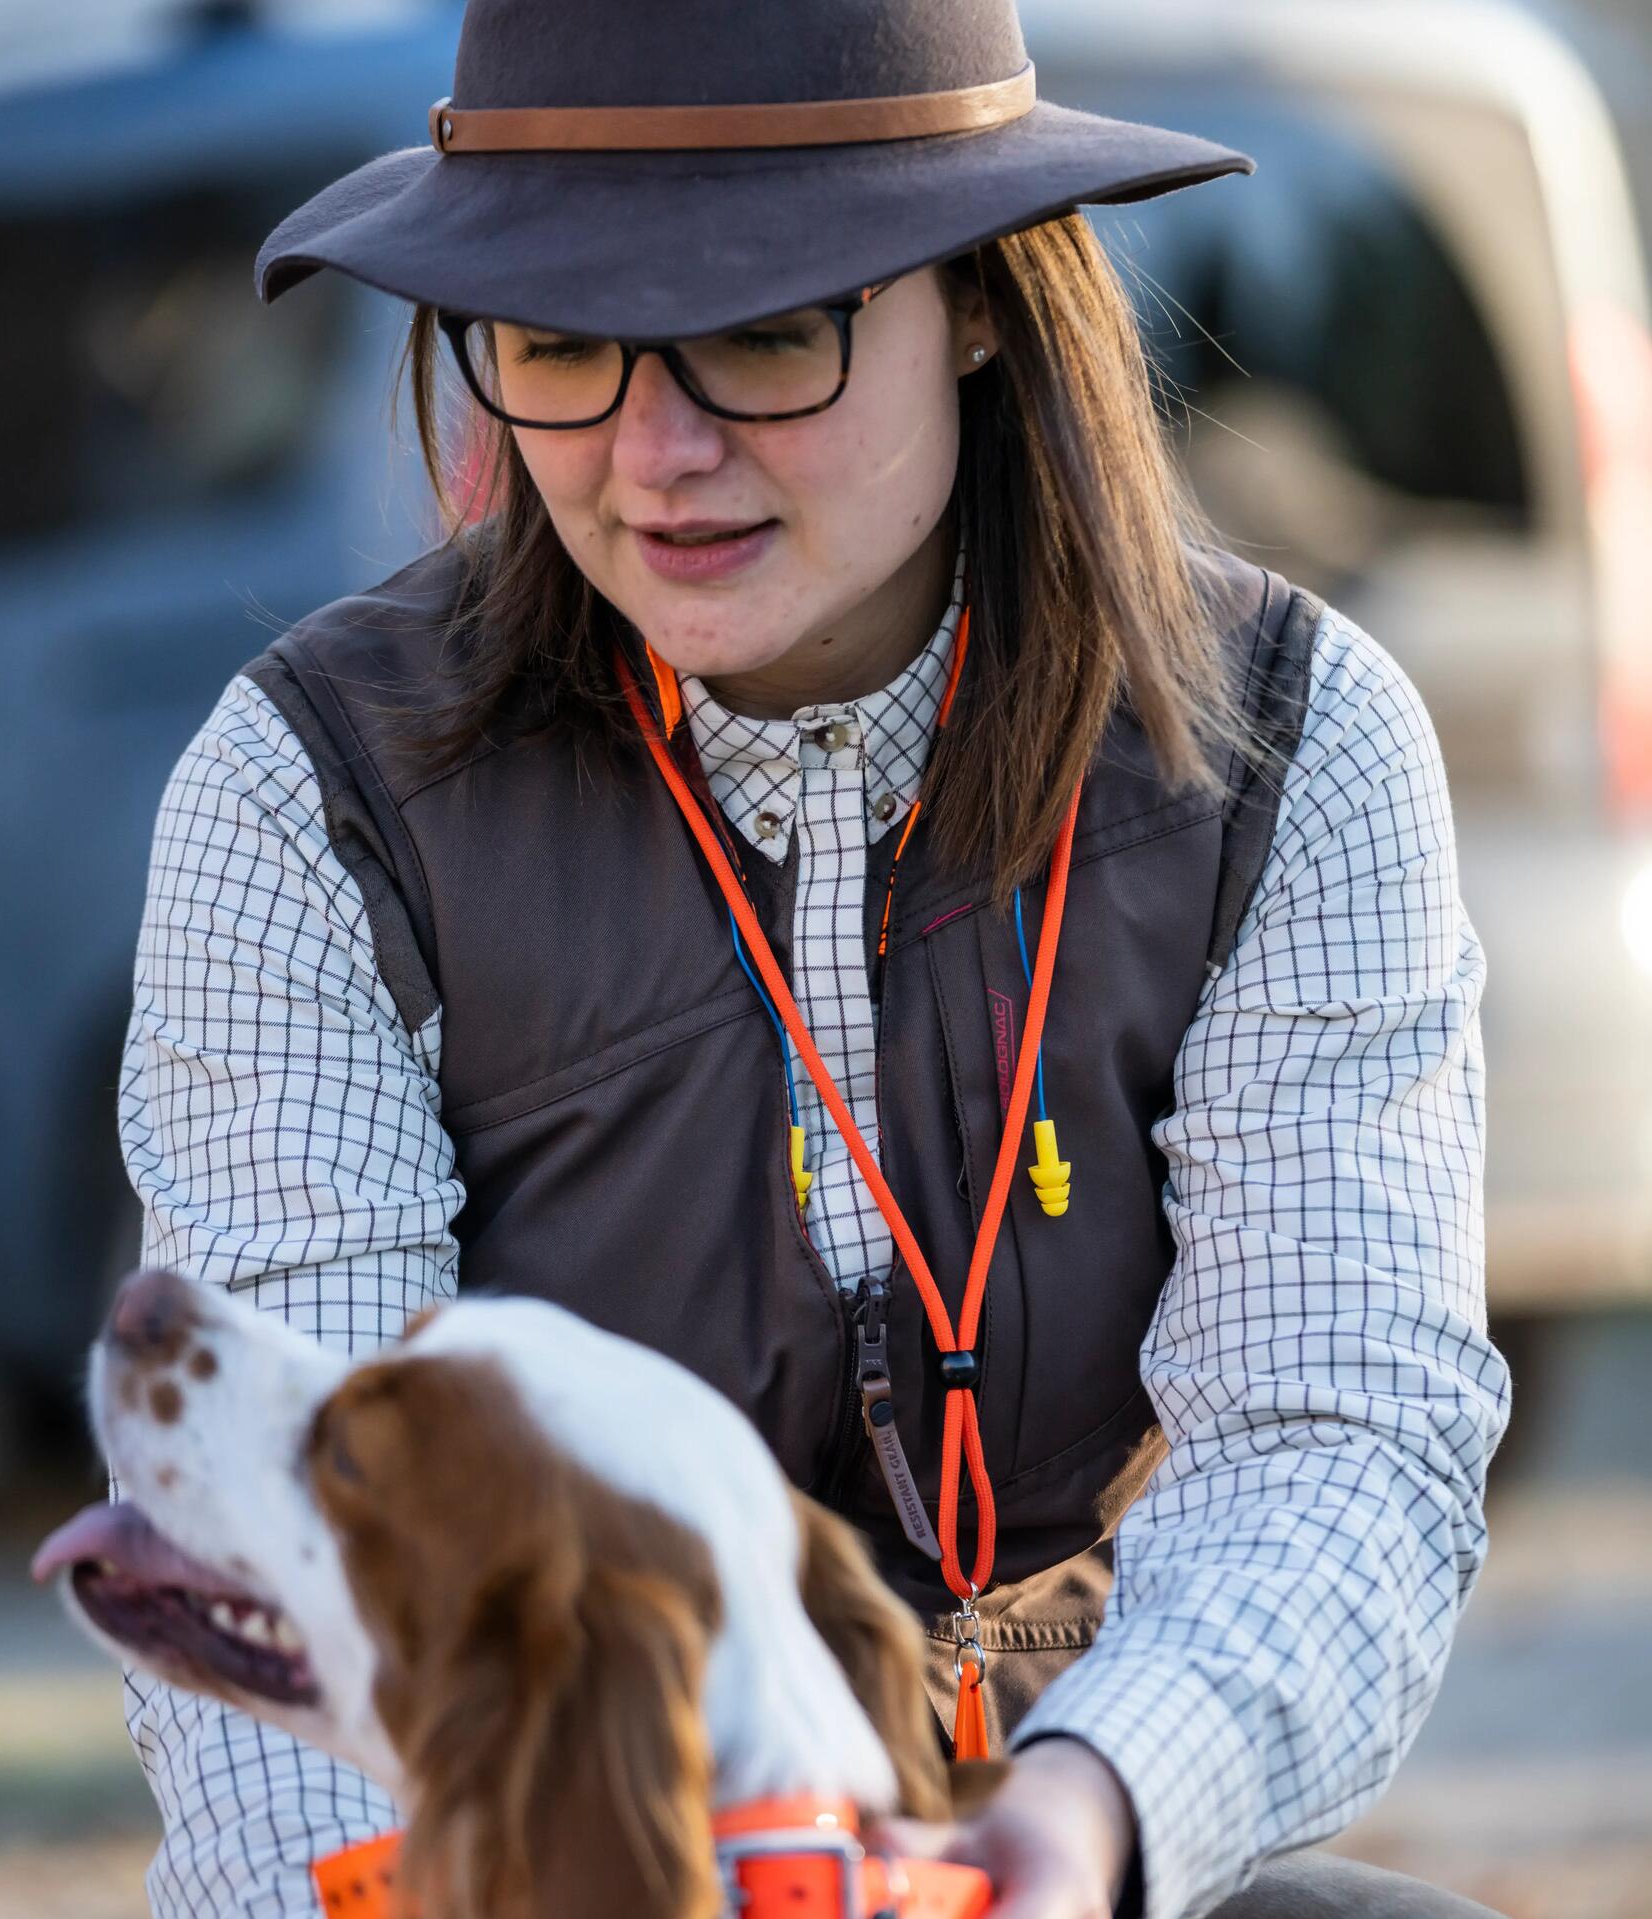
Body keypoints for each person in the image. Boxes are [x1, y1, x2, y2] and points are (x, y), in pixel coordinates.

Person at [113, 2, 1512, 1914]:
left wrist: (1084, 1819)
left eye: (771, 332)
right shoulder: (305, 799)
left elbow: (1334, 1445)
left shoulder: (1300, 746)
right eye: (561, 349)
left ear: (991, 300)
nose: (656, 455)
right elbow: (288, 1558)